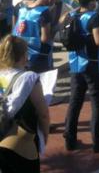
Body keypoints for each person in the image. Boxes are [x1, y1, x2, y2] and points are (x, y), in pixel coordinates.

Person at [63, 0, 99, 153]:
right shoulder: (94, 17)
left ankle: (70, 138)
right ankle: (98, 141)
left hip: (76, 63)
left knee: (75, 101)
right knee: (97, 103)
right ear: (91, 1)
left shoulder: (72, 16)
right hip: (94, 65)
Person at [0, 35, 51, 172]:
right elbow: (43, 114)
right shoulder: (28, 78)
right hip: (21, 142)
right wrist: (44, 136)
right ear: (23, 56)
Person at [13, 0, 58, 73]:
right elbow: (45, 39)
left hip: (20, 52)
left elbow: (15, 29)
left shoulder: (20, 7)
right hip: (38, 55)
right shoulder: (44, 11)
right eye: (56, 1)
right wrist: (60, 25)